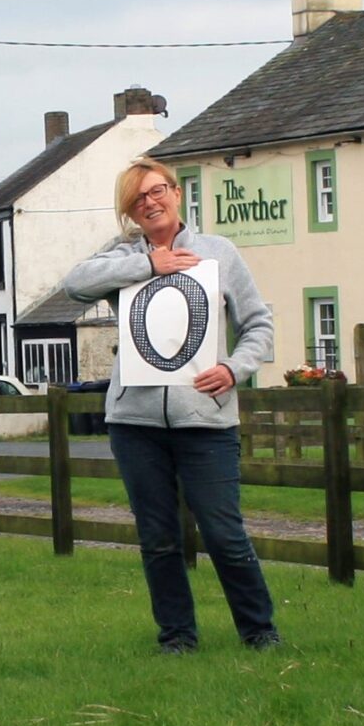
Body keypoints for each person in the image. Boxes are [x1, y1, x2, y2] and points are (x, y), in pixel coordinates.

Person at [64, 157, 282, 654]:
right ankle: (177, 636)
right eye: (138, 198)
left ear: (177, 193)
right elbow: (74, 285)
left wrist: (233, 368)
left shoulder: (218, 253)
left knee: (225, 535)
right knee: (158, 539)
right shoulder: (118, 259)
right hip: (134, 424)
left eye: (157, 190)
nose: (150, 202)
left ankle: (260, 631)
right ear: (129, 211)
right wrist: (148, 264)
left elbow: (258, 325)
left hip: (206, 420)